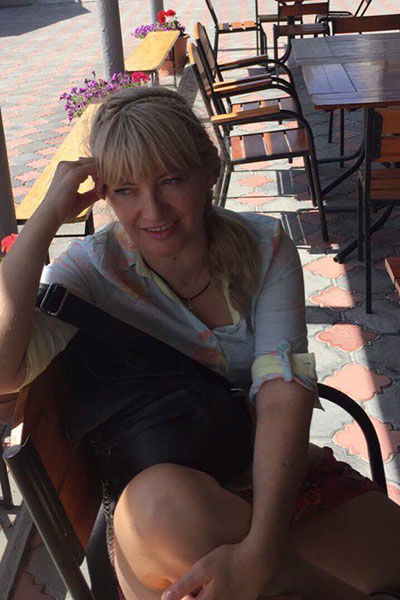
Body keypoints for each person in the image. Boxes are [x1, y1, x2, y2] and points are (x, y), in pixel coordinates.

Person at [0, 86, 399, 600]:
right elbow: (4, 371)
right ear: (104, 196)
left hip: (271, 478)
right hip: (169, 518)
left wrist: (261, 552)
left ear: (209, 172)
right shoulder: (92, 270)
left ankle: (284, 576)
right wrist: (45, 219)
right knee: (165, 511)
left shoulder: (265, 245)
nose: (152, 210)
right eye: (125, 190)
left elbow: (284, 385)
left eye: (170, 180)